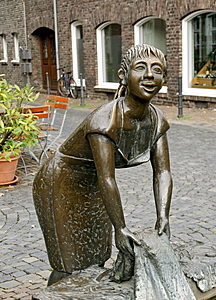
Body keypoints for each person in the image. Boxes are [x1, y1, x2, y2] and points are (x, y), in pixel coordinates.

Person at [33, 44, 173, 285]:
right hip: (62, 179)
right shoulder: (104, 120)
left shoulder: (156, 119)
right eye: (141, 68)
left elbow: (163, 172)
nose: (150, 75)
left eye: (157, 70)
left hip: (94, 182)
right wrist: (120, 227)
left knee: (97, 255)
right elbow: (107, 178)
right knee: (69, 263)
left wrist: (163, 216)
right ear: (124, 76)